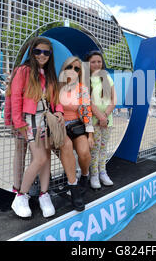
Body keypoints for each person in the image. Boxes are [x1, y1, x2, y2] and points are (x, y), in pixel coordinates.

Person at [6, 37, 70, 218]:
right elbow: (15, 97)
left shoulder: (49, 74)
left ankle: (44, 194)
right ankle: (21, 196)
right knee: (40, 158)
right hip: (29, 120)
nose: (42, 55)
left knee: (46, 157)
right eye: (38, 51)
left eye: (46, 52)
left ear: (50, 55)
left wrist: (59, 112)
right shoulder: (23, 70)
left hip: (46, 119)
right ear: (31, 52)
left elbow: (56, 98)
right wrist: (17, 122)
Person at [58, 56, 94, 207]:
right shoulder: (56, 87)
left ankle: (84, 176)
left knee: (84, 153)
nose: (72, 71)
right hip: (59, 127)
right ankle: (74, 188)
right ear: (64, 68)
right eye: (69, 67)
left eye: (76, 68)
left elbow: (87, 112)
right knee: (66, 147)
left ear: (79, 72)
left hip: (76, 125)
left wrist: (90, 134)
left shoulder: (82, 89)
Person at [85, 51, 117, 189]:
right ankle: (94, 174)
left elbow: (113, 99)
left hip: (107, 121)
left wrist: (106, 116)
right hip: (94, 121)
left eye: (99, 61)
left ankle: (103, 172)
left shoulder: (107, 77)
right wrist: (100, 117)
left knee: (103, 148)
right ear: (88, 64)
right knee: (95, 148)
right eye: (93, 62)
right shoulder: (86, 79)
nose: (97, 64)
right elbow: (88, 102)